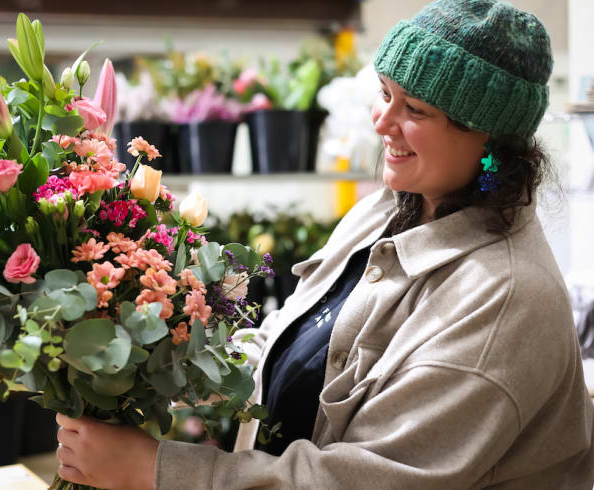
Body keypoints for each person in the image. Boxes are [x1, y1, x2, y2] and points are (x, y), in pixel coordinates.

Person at [55, 1, 594, 488]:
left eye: (417, 110)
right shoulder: (388, 212)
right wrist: (151, 357)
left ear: (491, 141)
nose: (382, 122)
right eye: (386, 95)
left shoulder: (502, 300)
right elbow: (287, 342)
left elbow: (368, 480)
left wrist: (157, 470)